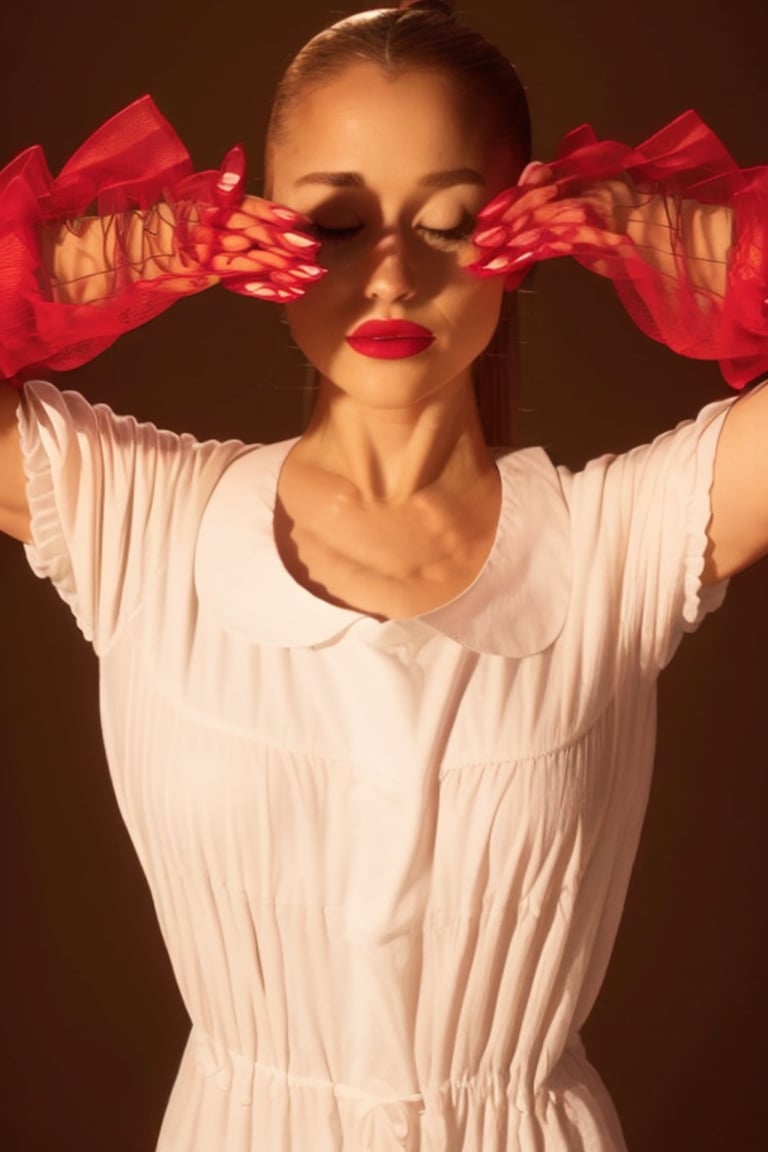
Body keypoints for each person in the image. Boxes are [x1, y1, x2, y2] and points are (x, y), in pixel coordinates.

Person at [0, 1, 766, 1149]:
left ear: (524, 237)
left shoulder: (624, 538)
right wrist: (132, 244)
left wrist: (656, 228)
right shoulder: (136, 515)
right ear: (263, 232)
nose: (395, 276)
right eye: (340, 223)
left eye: (454, 221)